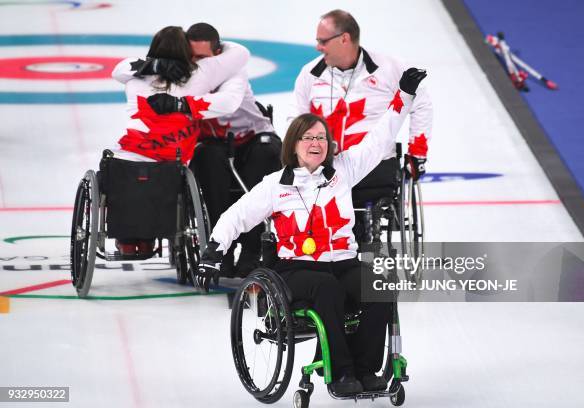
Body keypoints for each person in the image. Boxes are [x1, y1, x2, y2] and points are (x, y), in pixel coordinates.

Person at [198, 68, 427, 396]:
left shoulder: (344, 170)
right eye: (308, 138)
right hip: (297, 270)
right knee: (326, 287)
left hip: (343, 262)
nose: (316, 143)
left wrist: (403, 95)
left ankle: (366, 369)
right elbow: (236, 217)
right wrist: (212, 253)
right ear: (293, 146)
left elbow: (380, 138)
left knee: (380, 285)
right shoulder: (275, 186)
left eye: (321, 137)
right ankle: (341, 374)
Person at [289, 9, 433, 240]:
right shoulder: (309, 74)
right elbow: (294, 120)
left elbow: (422, 104)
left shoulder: (390, 68)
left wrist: (418, 152)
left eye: (322, 41)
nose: (317, 47)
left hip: (373, 162)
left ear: (344, 39)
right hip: (326, 163)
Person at [110, 26, 250, 255]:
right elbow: (241, 53)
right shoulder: (201, 73)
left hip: (129, 155)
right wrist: (184, 104)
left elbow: (119, 70)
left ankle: (128, 235)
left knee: (120, 171)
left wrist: (151, 66)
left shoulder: (135, 79)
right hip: (172, 158)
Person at [184, 23, 282, 278]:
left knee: (265, 157)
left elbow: (225, 104)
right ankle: (220, 250)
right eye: (192, 58)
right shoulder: (184, 73)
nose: (197, 64)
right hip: (215, 143)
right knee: (207, 157)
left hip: (253, 137)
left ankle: (252, 250)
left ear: (218, 54)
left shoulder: (233, 72)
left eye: (203, 58)